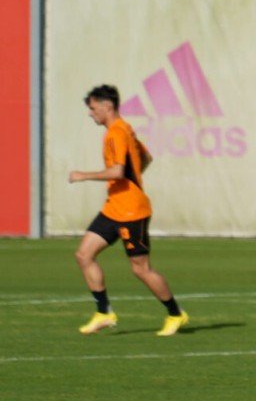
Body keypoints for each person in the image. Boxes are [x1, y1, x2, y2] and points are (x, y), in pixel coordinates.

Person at [67, 84, 186, 337]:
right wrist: (133, 179)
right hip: (114, 207)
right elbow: (146, 158)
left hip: (132, 211)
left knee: (140, 269)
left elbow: (118, 171)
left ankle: (176, 314)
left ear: (106, 106)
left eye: (92, 108)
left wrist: (83, 175)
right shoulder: (123, 129)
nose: (91, 114)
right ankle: (104, 313)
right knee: (84, 255)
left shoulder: (117, 133)